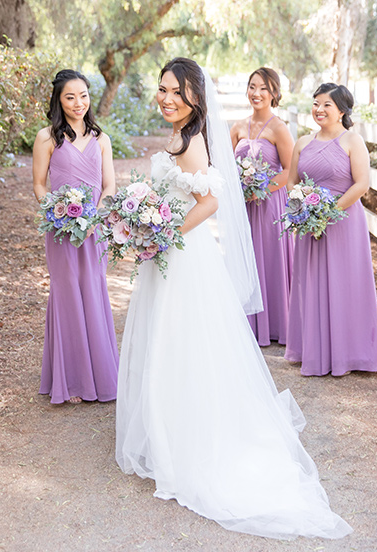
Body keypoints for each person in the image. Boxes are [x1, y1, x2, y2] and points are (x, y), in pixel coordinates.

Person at [116, 58, 352, 540]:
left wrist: (161, 234)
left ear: (194, 98)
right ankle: (168, 429)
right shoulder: (179, 135)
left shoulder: (194, 140)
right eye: (161, 89)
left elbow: (209, 203)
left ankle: (184, 436)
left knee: (180, 339)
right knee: (167, 339)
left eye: (175, 92)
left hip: (183, 256)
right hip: (169, 254)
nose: (165, 98)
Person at [285, 82, 377, 377]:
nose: (319, 109)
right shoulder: (303, 143)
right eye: (316, 103)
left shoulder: (352, 141)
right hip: (309, 223)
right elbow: (292, 180)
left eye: (326, 104)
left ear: (341, 110)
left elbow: (361, 183)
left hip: (344, 223)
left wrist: (329, 212)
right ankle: (314, 350)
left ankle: (351, 353)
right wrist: (303, 203)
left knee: (347, 283)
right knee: (311, 282)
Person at [33, 69, 119, 404]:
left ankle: (97, 375)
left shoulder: (101, 139)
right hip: (61, 231)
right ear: (59, 100)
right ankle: (70, 381)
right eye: (70, 97)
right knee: (67, 292)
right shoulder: (47, 137)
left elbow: (109, 184)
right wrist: (55, 211)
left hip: (94, 230)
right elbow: (39, 185)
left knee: (94, 290)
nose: (78, 103)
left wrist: (95, 216)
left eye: (83, 95)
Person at [231, 67, 294, 345]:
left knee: (270, 260)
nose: (257, 93)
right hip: (243, 207)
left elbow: (291, 171)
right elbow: (224, 168)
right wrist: (240, 188)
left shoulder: (279, 128)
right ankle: (248, 325)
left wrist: (261, 189)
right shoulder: (237, 127)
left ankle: (277, 325)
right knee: (246, 260)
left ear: (274, 94)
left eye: (264, 88)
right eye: (252, 87)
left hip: (270, 206)